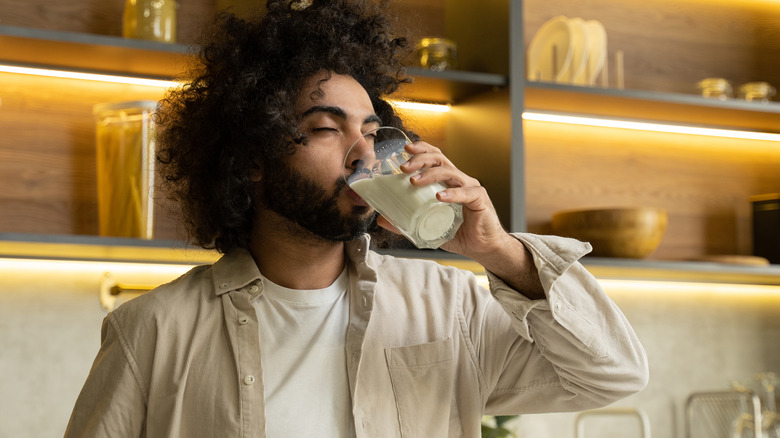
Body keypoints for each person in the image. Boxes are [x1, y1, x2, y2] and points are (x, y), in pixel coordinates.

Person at [65, 0, 648, 437]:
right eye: (326, 128)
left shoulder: (451, 306)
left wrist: (499, 250)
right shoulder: (152, 332)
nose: (365, 153)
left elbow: (612, 374)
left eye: (371, 131)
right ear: (250, 160)